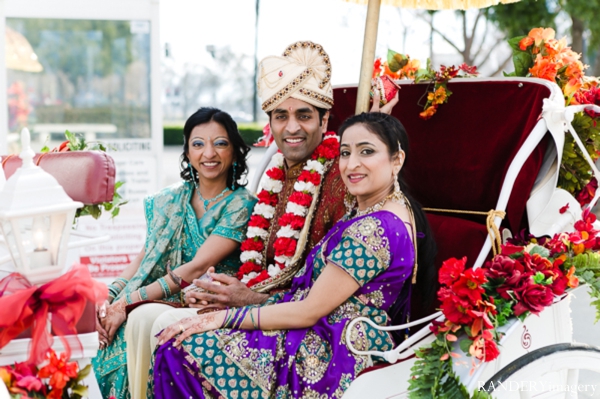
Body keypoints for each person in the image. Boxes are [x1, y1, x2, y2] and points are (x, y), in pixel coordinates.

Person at [150, 112, 436, 399]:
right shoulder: (384, 209)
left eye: (367, 151)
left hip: (334, 349)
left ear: (397, 159)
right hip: (323, 328)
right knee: (179, 342)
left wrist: (224, 318)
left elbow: (308, 310)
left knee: (179, 352)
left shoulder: (375, 227)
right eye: (345, 153)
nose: (352, 164)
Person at [91, 107, 258, 399]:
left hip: (206, 300)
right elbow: (145, 258)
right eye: (198, 144)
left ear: (235, 151)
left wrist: (128, 302)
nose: (209, 153)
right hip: (163, 295)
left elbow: (197, 267)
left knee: (137, 316)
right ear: (187, 152)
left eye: (220, 143)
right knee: (110, 325)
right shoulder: (169, 199)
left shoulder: (240, 205)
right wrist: (108, 298)